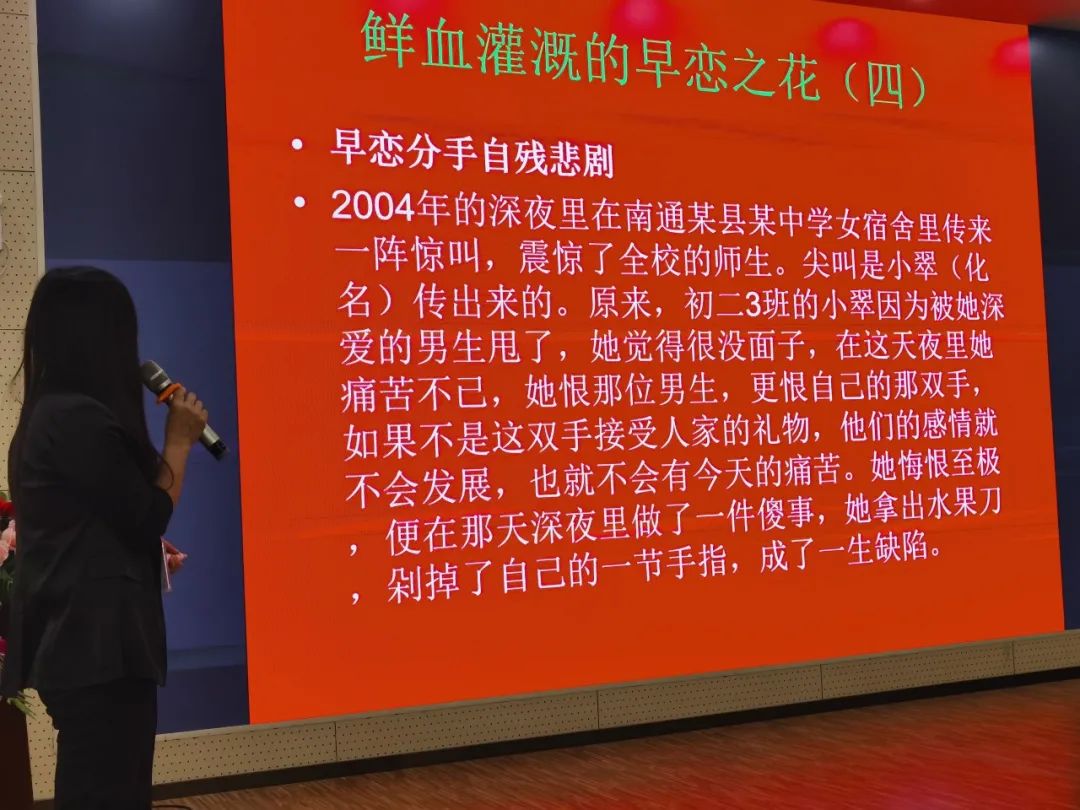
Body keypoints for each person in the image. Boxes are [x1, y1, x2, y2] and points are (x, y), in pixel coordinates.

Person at [0, 267, 208, 809]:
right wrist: (179, 441)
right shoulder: (77, 418)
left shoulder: (50, 414)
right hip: (95, 649)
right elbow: (149, 513)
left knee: (103, 785)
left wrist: (143, 552)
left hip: (80, 646)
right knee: (107, 790)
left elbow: (94, 520)